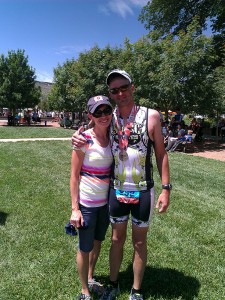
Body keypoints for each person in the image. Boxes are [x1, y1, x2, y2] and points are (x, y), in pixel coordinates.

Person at [72, 69, 171, 300]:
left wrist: (166, 189)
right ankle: (113, 284)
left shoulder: (152, 116)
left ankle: (136, 291)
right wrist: (77, 137)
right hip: (116, 190)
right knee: (116, 239)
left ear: (132, 87)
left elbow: (161, 154)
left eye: (124, 87)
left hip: (143, 190)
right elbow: (93, 132)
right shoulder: (110, 116)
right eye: (114, 90)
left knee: (139, 241)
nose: (120, 93)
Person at [70, 95, 113, 300]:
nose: (103, 116)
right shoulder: (83, 139)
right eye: (98, 112)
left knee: (98, 241)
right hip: (87, 203)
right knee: (84, 247)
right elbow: (73, 176)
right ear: (90, 115)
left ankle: (90, 276)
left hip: (106, 204)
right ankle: (84, 290)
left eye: (106, 111)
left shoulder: (114, 136)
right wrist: (75, 208)